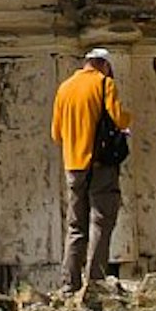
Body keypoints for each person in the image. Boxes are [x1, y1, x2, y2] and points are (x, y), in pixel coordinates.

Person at [50, 45, 130, 294]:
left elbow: (56, 133)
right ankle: (94, 281)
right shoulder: (105, 84)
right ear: (104, 65)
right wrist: (128, 121)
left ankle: (69, 283)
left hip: (73, 165)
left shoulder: (64, 88)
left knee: (75, 226)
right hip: (99, 163)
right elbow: (118, 118)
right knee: (101, 220)